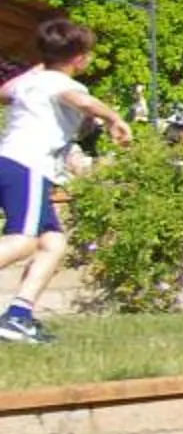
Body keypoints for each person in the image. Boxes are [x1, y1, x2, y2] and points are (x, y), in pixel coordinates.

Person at [0, 17, 133, 344]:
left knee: (52, 242)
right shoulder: (64, 84)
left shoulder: (30, 81)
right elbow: (83, 102)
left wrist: (35, 70)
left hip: (15, 165)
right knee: (23, 240)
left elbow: (4, 92)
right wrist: (114, 118)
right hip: (26, 166)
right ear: (80, 58)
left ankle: (18, 316)